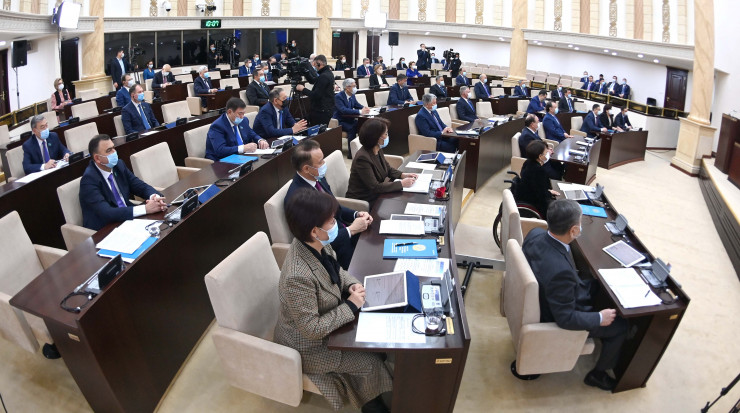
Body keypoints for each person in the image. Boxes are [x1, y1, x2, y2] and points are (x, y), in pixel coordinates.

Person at [275, 188, 392, 413]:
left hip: (327, 318)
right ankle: (371, 404)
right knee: (369, 363)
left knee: (373, 343)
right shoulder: (297, 276)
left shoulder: (316, 242)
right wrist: (351, 305)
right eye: (331, 221)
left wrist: (351, 285)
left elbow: (337, 270)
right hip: (307, 346)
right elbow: (311, 329)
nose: (336, 224)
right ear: (315, 230)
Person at [522, 199, 629, 391]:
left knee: (595, 282)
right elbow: (566, 318)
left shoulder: (535, 233)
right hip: (555, 313)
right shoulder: (560, 272)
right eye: (580, 223)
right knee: (621, 326)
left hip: (550, 292)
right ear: (573, 230)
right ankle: (597, 375)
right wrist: (599, 317)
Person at [284, 140, 373, 269]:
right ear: (306, 169)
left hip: (344, 232)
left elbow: (335, 207)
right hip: (335, 253)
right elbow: (317, 243)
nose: (324, 164)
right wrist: (351, 230)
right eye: (320, 162)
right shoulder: (299, 200)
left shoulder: (317, 178)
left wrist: (356, 214)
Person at [79, 134, 167, 231]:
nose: (114, 152)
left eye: (113, 148)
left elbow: (139, 186)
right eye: (109, 150)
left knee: (164, 226)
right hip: (105, 228)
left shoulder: (118, 165)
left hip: (127, 218)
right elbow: (107, 213)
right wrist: (145, 209)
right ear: (97, 158)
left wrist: (154, 197)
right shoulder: (89, 180)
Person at [346, 118, 417, 203]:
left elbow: (388, 169)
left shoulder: (377, 149)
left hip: (377, 194)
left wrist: (403, 175)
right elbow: (375, 187)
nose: (388, 136)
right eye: (386, 134)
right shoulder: (362, 158)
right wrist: (401, 184)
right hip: (363, 200)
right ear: (376, 137)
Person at [516, 140, 559, 219]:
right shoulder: (539, 170)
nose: (548, 153)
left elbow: (536, 187)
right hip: (534, 202)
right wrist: (549, 193)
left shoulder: (527, 162)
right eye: (546, 152)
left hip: (525, 195)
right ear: (540, 156)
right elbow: (541, 195)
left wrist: (548, 191)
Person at [296, 55, 335, 126]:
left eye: (315, 64)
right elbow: (313, 80)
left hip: (321, 111)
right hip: (326, 109)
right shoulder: (328, 73)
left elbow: (315, 95)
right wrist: (306, 72)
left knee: (318, 131)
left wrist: (303, 89)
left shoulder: (324, 76)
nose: (314, 66)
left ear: (319, 63)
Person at [334, 78, 371, 148]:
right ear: (347, 88)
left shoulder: (352, 95)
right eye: (354, 86)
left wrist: (364, 108)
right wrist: (360, 111)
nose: (355, 88)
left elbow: (357, 105)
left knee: (364, 124)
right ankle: (352, 151)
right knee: (352, 128)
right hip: (340, 121)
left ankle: (363, 147)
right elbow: (343, 110)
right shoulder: (338, 97)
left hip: (350, 119)